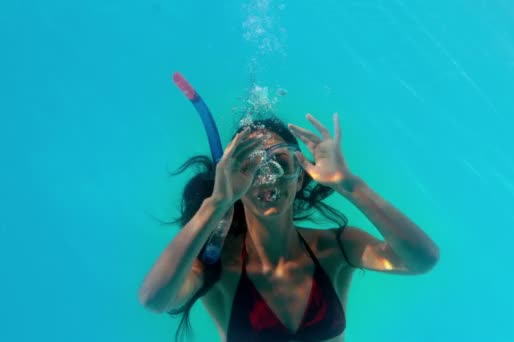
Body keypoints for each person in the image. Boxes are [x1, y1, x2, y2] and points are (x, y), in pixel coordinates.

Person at [138, 112, 440, 342]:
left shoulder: (336, 248)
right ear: (235, 181)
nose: (267, 177)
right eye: (251, 167)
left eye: (280, 162)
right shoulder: (216, 266)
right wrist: (218, 202)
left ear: (299, 177)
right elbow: (154, 299)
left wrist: (349, 185)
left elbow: (422, 259)